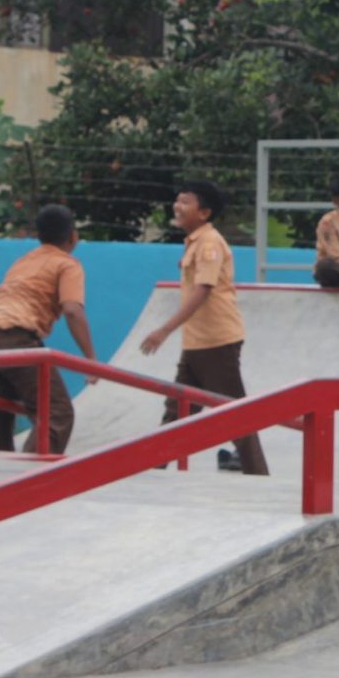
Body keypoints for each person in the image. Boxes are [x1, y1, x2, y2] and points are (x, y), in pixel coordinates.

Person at [139, 182, 270, 475]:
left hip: (216, 340)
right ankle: (154, 469)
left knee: (234, 413)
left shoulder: (209, 243)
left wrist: (164, 330)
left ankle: (258, 475)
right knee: (178, 409)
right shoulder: (195, 242)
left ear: (204, 212)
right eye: (177, 200)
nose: (178, 206)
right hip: (197, 342)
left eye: (186, 201)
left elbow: (203, 290)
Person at [0, 204, 98, 454]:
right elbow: (72, 311)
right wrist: (91, 360)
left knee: (1, 412)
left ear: (39, 235)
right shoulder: (67, 264)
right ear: (73, 236)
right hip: (14, 337)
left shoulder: (24, 260)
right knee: (57, 413)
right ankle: (32, 475)